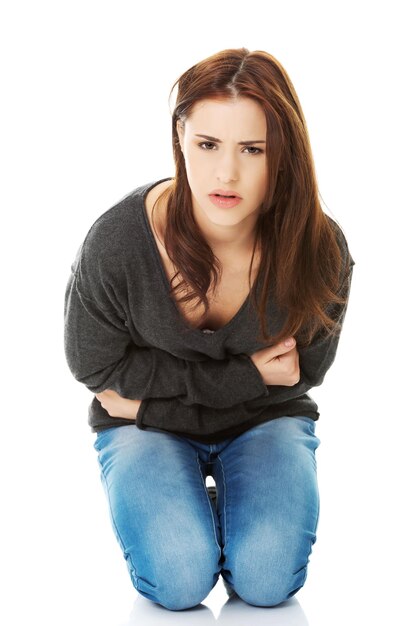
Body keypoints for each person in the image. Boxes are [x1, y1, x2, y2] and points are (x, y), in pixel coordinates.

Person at [64, 47, 354, 611]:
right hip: (149, 432)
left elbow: (301, 376)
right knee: (177, 582)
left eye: (253, 149)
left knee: (268, 583)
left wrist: (145, 399)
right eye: (207, 145)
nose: (227, 173)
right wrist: (244, 377)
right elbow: (95, 371)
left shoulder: (320, 250)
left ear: (284, 155)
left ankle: (219, 505)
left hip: (259, 419)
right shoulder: (118, 244)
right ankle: (192, 511)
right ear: (180, 139)